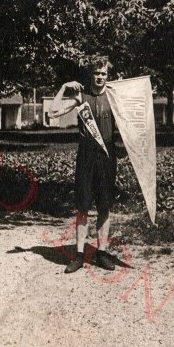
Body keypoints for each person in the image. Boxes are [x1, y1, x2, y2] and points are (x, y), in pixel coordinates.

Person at [49, 56, 117, 274]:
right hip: (86, 153)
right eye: (96, 73)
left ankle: (102, 253)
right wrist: (63, 88)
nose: (100, 77)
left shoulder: (114, 97)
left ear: (108, 75)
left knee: (105, 206)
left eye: (103, 73)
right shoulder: (81, 96)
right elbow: (52, 113)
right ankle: (79, 255)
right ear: (91, 74)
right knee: (83, 206)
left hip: (107, 154)